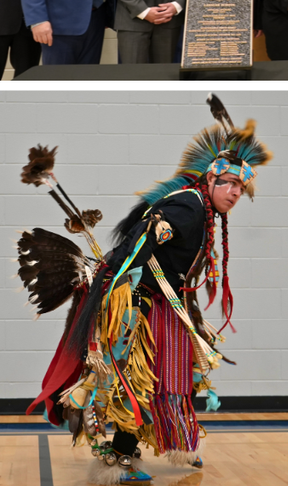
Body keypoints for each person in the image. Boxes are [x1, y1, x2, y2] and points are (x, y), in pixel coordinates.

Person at [18, 106, 272, 485]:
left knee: (175, 375)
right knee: (138, 378)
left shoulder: (199, 208)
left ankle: (179, 441)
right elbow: (139, 245)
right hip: (141, 303)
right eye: (231, 184)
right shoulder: (189, 207)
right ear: (212, 179)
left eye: (242, 188)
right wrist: (125, 297)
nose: (236, 193)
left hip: (164, 304)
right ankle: (117, 460)